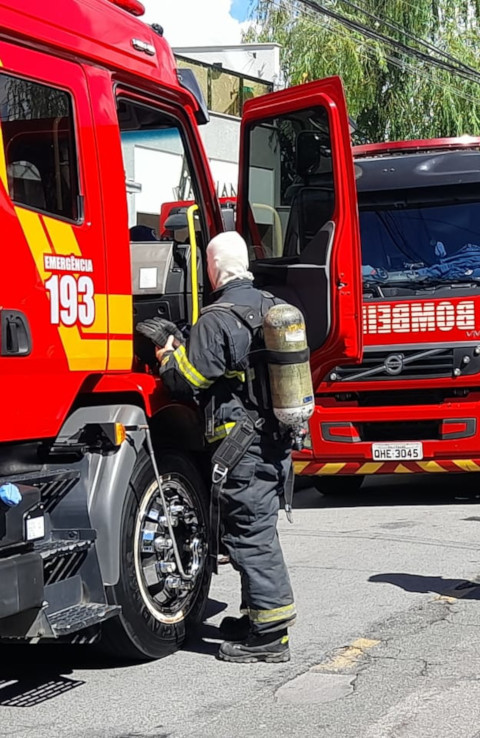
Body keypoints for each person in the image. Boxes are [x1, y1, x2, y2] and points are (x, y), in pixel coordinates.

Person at [138, 231, 296, 663]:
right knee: (256, 529)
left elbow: (187, 381)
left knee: (250, 535)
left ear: (212, 267)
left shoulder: (217, 317)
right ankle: (256, 618)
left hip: (239, 446)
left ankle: (271, 637)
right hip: (273, 442)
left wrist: (168, 354)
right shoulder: (271, 307)